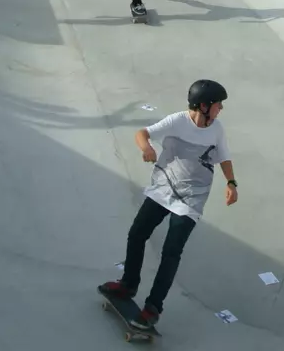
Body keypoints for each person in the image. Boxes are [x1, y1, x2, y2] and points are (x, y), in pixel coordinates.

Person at [99, 79, 236, 330]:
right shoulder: (178, 121)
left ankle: (153, 308)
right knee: (137, 234)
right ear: (204, 106)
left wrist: (232, 183)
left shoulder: (217, 129)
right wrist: (146, 147)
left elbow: (224, 157)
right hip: (163, 189)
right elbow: (142, 134)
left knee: (171, 251)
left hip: (191, 199)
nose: (220, 110)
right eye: (218, 105)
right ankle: (128, 284)